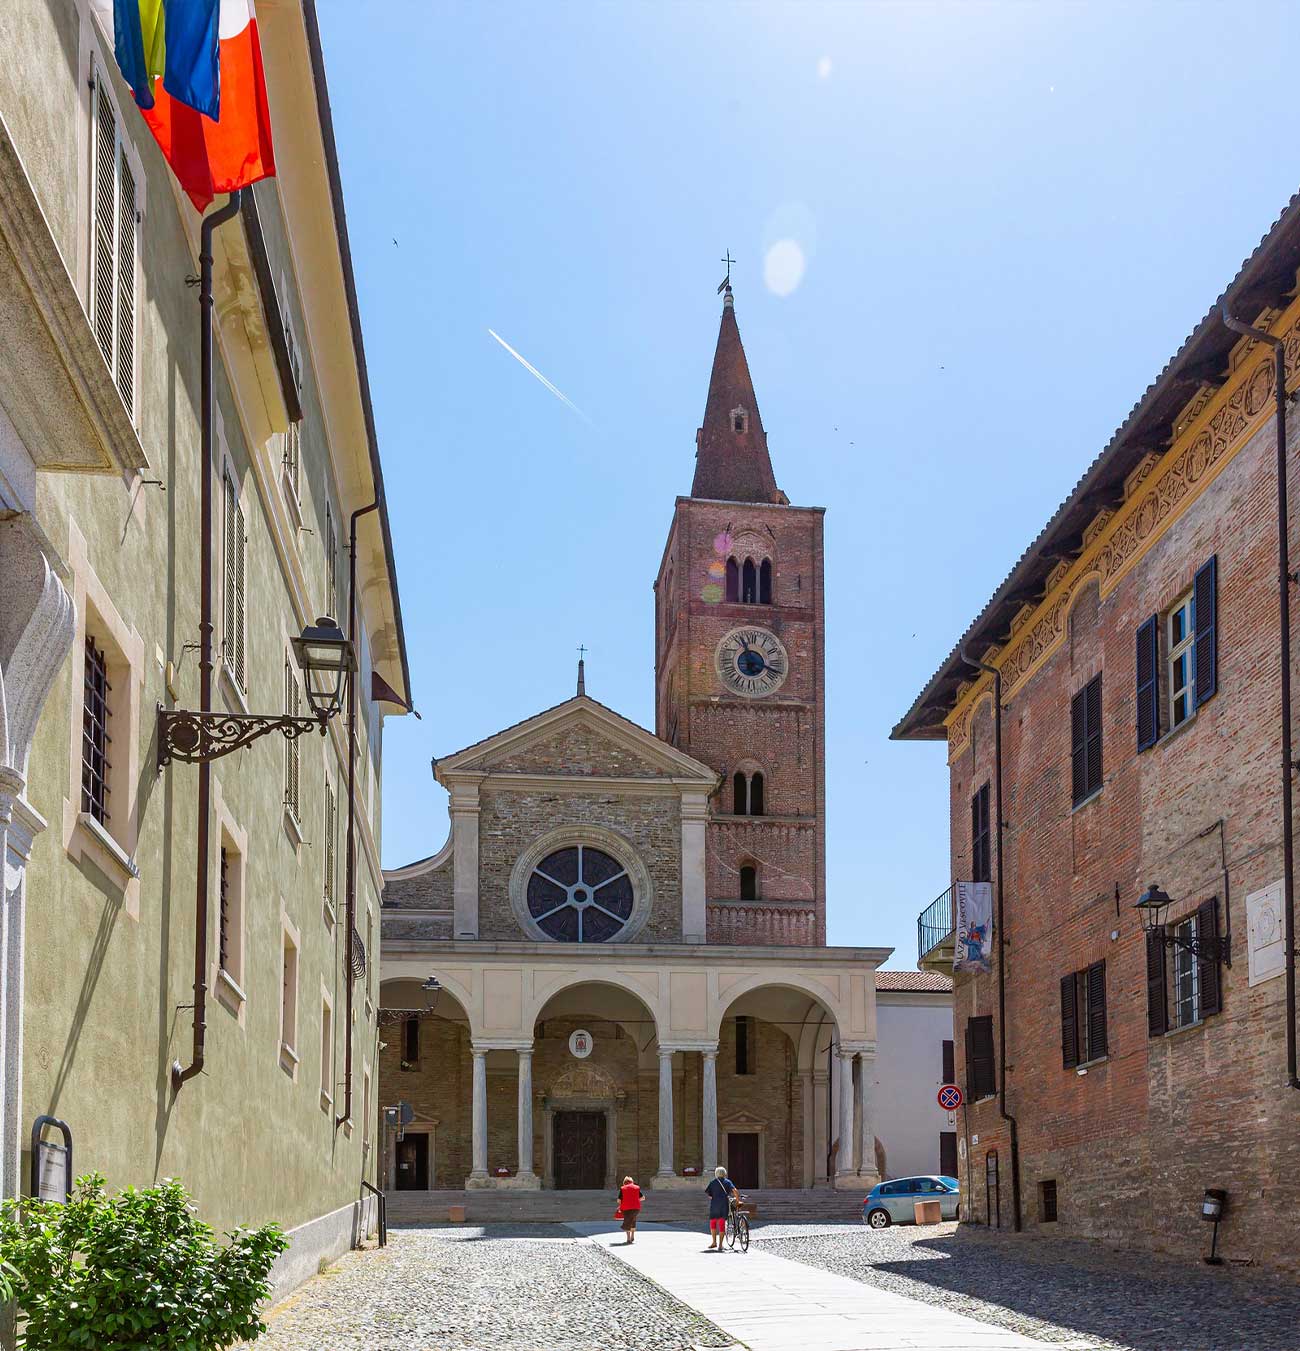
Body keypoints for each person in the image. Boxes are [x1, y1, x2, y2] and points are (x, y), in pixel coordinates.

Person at [704, 1164, 736, 1250]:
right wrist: (737, 1199)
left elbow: (709, 1195)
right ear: (724, 1173)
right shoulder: (728, 1182)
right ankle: (720, 1245)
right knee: (722, 1225)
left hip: (714, 1206)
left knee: (713, 1224)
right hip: (723, 1206)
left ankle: (714, 1242)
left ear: (716, 1173)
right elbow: (735, 1190)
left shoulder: (712, 1182)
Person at [617, 1175, 643, 1244]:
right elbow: (643, 1198)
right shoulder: (637, 1188)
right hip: (636, 1208)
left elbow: (619, 1200)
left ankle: (628, 1238)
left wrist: (620, 1205)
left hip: (626, 1208)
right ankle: (632, 1236)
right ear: (632, 1182)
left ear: (624, 1182)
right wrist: (635, 1200)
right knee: (633, 1220)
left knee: (627, 1221)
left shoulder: (623, 1188)